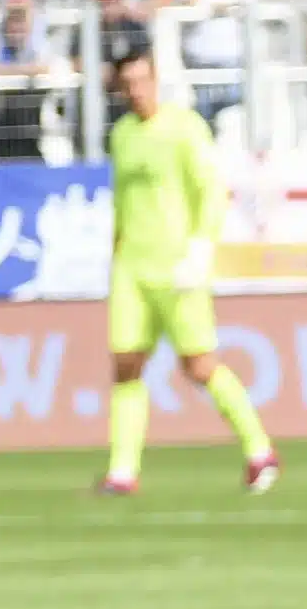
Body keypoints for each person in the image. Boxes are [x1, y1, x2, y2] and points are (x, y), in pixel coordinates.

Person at [97, 46, 281, 498]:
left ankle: (259, 449)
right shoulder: (122, 134)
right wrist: (116, 248)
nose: (137, 91)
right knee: (126, 365)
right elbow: (122, 200)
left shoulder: (184, 128)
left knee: (199, 366)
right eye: (130, 84)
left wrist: (200, 248)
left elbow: (211, 192)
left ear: (157, 80)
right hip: (131, 269)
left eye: (144, 80)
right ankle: (123, 470)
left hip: (177, 265)